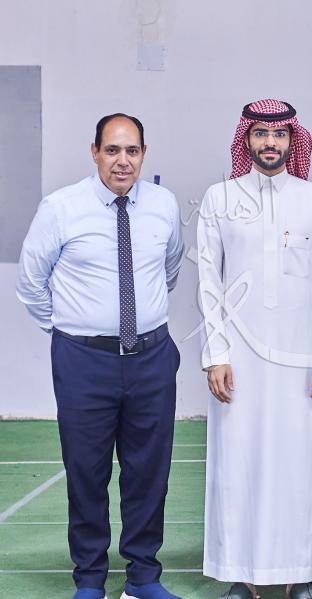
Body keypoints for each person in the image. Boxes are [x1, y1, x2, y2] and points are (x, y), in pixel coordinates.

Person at [16, 113, 184, 599]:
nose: (122, 161)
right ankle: (89, 579)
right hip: (84, 362)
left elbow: (170, 267)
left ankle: (143, 578)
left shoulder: (163, 205)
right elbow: (31, 284)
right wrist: (74, 333)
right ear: (94, 153)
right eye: (112, 150)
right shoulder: (61, 208)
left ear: (144, 154)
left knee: (149, 472)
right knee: (86, 471)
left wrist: (137, 323)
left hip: (152, 358)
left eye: (132, 151)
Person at [196, 99, 312, 599]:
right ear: (247, 139)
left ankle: (298, 575)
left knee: (298, 464)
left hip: (300, 360)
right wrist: (216, 354)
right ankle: (243, 575)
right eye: (260, 133)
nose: (270, 143)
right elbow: (208, 283)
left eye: (280, 134)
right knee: (239, 462)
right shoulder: (219, 198)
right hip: (238, 358)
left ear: (292, 140)